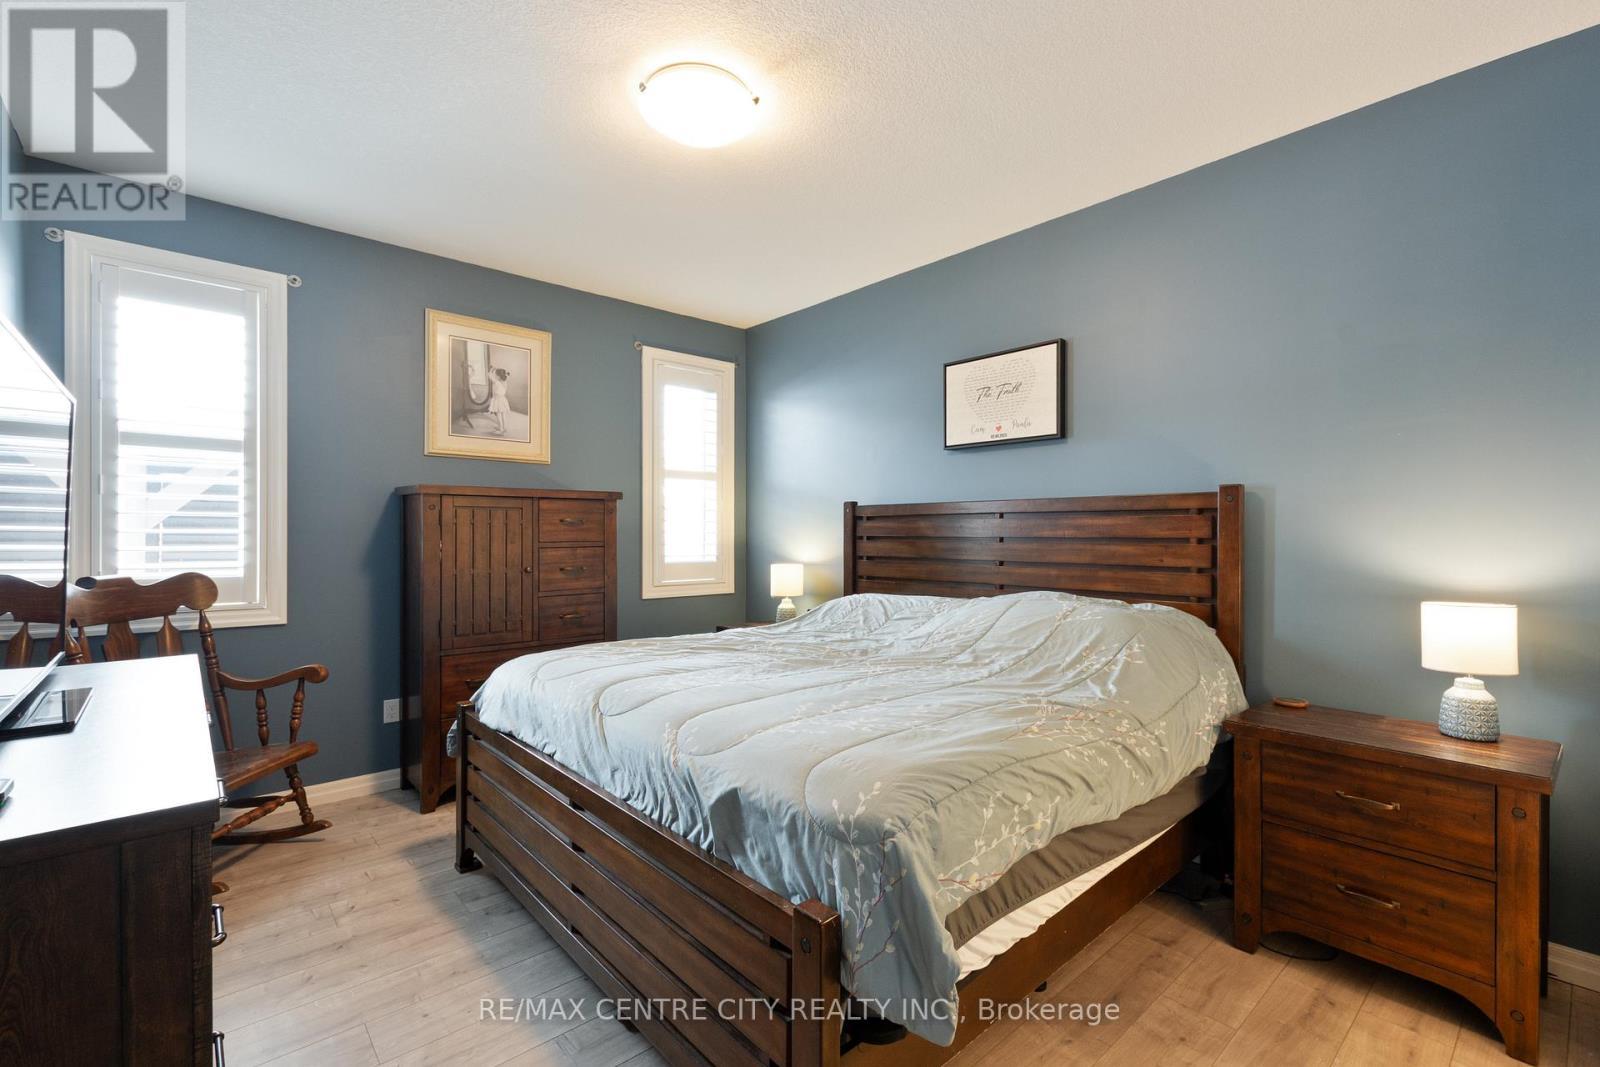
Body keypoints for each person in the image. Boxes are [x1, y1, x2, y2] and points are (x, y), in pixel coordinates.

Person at [487, 367, 511, 434]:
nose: (494, 376)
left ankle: (501, 429)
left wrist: (491, 369)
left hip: (498, 400)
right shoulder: (505, 381)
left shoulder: (496, 382)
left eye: (495, 375)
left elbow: (489, 375)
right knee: (503, 415)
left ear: (498, 376)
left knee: (498, 415)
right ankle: (504, 427)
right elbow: (506, 376)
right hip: (503, 399)